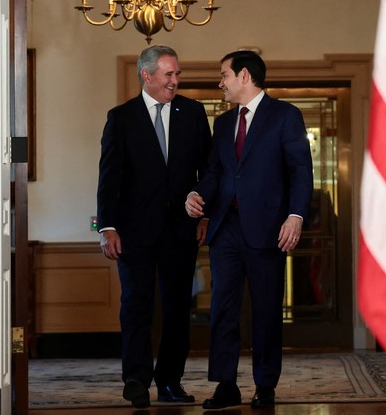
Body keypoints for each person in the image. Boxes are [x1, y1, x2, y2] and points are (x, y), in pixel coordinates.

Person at [185, 50, 313, 409]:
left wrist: (296, 216)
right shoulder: (223, 124)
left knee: (267, 308)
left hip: (270, 228)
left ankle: (265, 384)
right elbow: (215, 172)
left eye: (223, 74)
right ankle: (226, 385)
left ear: (244, 75)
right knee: (222, 308)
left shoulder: (286, 116)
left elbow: (300, 171)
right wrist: (197, 194)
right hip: (226, 228)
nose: (220, 82)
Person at [97, 45, 212, 409]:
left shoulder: (193, 113)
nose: (175, 81)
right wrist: (107, 226)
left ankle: (170, 382)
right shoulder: (121, 118)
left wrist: (204, 211)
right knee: (136, 304)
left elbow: (207, 170)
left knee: (178, 307)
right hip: (134, 232)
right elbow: (109, 178)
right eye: (168, 74)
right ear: (146, 75)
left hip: (182, 230)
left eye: (177, 74)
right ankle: (135, 379)